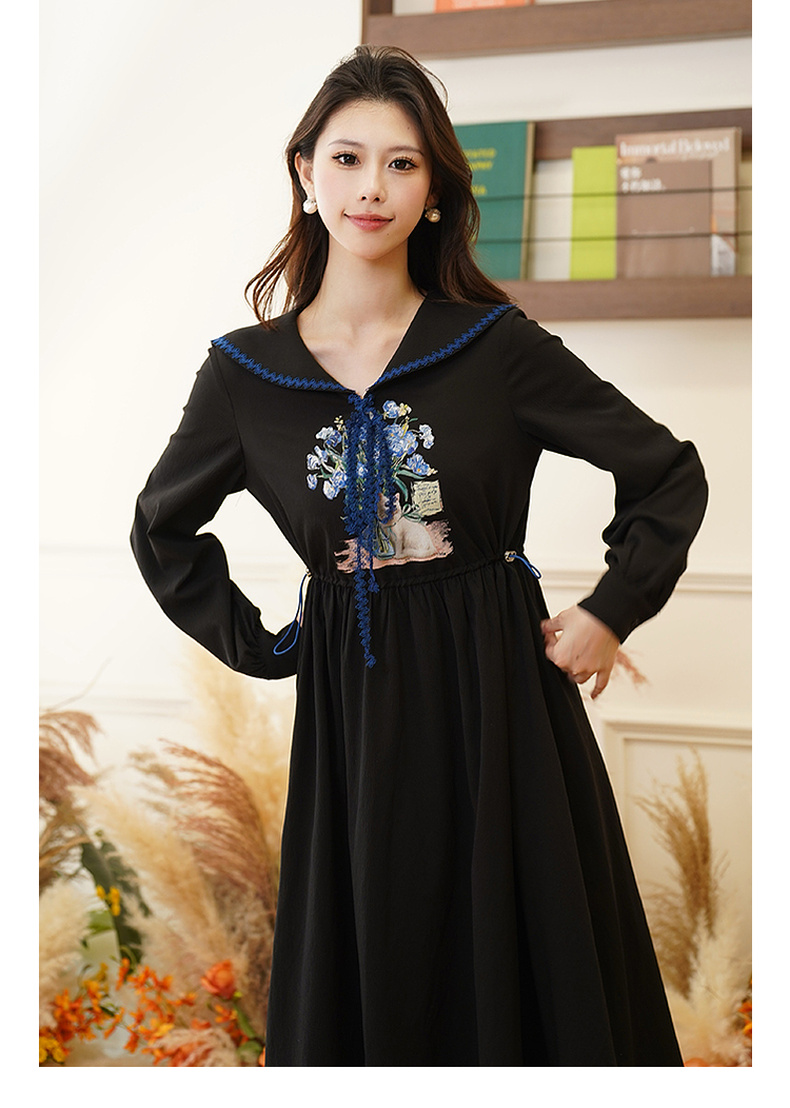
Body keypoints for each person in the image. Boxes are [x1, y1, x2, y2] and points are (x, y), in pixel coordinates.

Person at [131, 44, 707, 1066]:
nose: (372, 187)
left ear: (434, 191)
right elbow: (162, 529)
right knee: (382, 963)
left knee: (526, 966)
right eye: (348, 159)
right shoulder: (244, 376)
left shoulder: (492, 346)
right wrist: (266, 646)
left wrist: (609, 610)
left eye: (402, 164)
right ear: (306, 173)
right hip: (355, 710)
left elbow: (665, 472)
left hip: (502, 699)